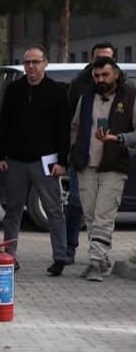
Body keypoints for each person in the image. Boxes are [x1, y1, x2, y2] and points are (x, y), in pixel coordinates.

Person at [0, 45, 70, 275]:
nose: (31, 67)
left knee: (53, 210)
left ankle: (60, 257)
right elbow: (4, 125)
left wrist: (62, 161)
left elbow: (63, 130)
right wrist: (0, 155)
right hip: (16, 161)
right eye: (27, 62)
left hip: (45, 161)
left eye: (36, 62)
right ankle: (9, 256)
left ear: (45, 63)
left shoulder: (56, 92)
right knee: (13, 211)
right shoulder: (14, 90)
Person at [70, 56, 136, 281]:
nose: (101, 79)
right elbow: (76, 126)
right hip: (86, 165)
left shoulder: (129, 96)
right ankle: (102, 257)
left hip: (114, 165)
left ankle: (96, 262)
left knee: (103, 216)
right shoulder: (86, 97)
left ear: (116, 74)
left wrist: (118, 139)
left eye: (105, 75)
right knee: (90, 216)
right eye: (97, 75)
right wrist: (74, 149)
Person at [66, 42, 117, 264]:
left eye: (107, 59)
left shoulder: (125, 88)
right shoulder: (80, 87)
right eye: (98, 59)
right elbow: (71, 122)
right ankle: (71, 248)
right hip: (84, 158)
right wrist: (71, 150)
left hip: (112, 160)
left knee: (103, 212)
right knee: (80, 205)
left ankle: (98, 256)